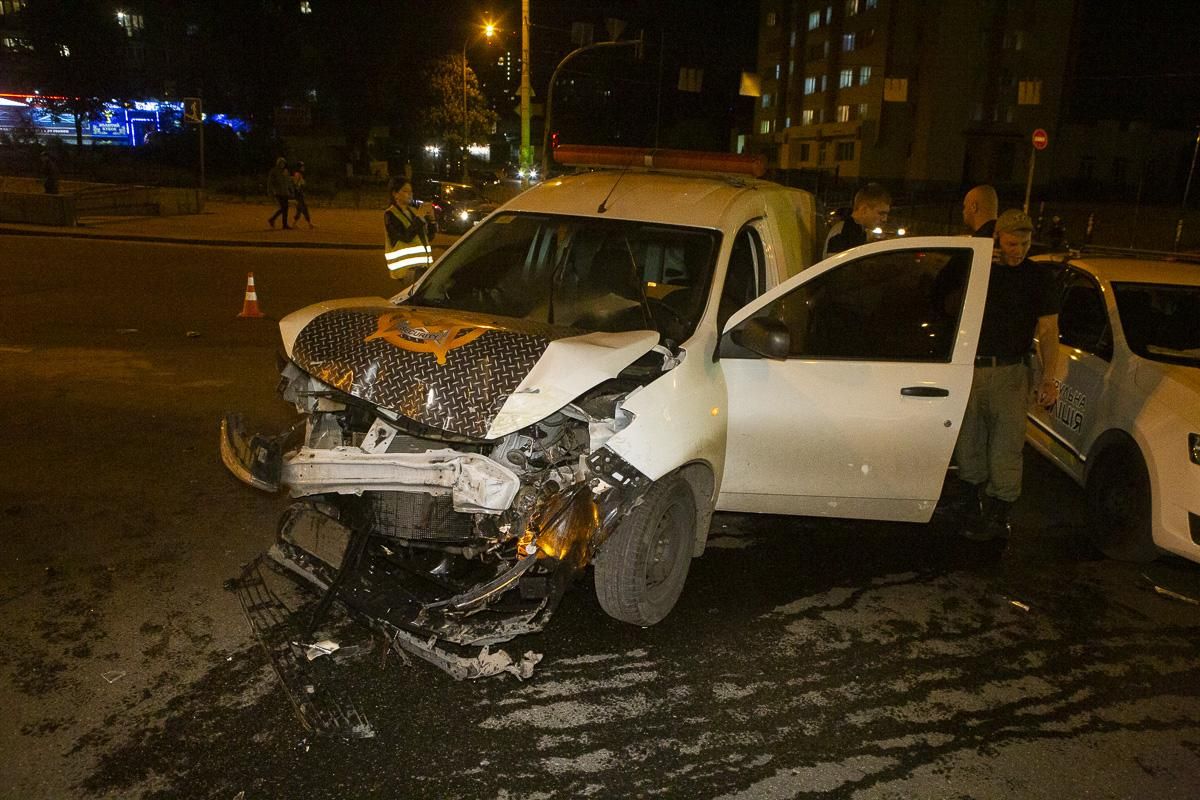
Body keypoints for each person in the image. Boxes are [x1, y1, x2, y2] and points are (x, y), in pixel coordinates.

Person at [953, 209, 1060, 543]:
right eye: (1012, 243)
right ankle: (970, 504)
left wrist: (1050, 379)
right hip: (972, 370)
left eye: (1025, 243)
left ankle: (1000, 513)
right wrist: (981, 255)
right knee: (969, 441)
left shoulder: (1037, 277)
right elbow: (945, 287)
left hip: (1012, 372)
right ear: (997, 239)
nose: (1018, 250)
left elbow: (1049, 329)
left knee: (1007, 446)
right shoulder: (979, 269)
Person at [822, 183, 891, 257]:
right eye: (881, 213)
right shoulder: (843, 232)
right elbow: (835, 265)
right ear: (864, 210)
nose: (885, 219)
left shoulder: (859, 232)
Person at [384, 177, 432, 281]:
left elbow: (428, 237)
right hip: (406, 271)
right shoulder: (390, 214)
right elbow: (406, 237)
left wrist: (432, 220)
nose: (410, 194)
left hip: (423, 267)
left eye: (411, 191)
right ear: (395, 194)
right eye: (405, 191)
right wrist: (419, 218)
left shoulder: (414, 211)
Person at [266, 157, 292, 229]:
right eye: (281, 163)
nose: (282, 164)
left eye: (283, 163)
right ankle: (273, 219)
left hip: (285, 192)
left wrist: (291, 190)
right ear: (278, 163)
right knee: (283, 208)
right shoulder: (274, 171)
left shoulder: (285, 171)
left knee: (285, 208)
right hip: (278, 192)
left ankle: (284, 224)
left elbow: (288, 181)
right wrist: (270, 192)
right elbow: (270, 183)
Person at [291, 161, 313, 229]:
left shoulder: (300, 174)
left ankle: (309, 224)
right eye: (302, 166)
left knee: (301, 209)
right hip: (298, 194)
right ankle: (309, 224)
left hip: (300, 194)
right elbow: (295, 184)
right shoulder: (297, 174)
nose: (303, 168)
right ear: (299, 167)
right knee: (303, 208)